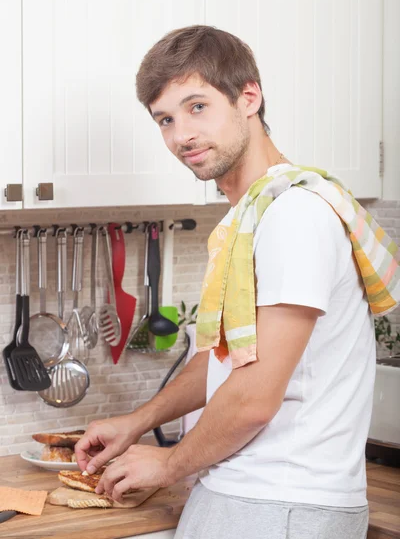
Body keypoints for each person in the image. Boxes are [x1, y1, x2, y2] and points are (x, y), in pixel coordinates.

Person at [75, 26, 398, 539]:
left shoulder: (294, 216)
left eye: (197, 106)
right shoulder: (253, 218)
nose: (181, 134)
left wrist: (169, 463)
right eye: (165, 119)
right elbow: (227, 359)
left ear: (249, 96)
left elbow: (253, 396)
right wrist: (136, 423)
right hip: (247, 497)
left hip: (284, 505)